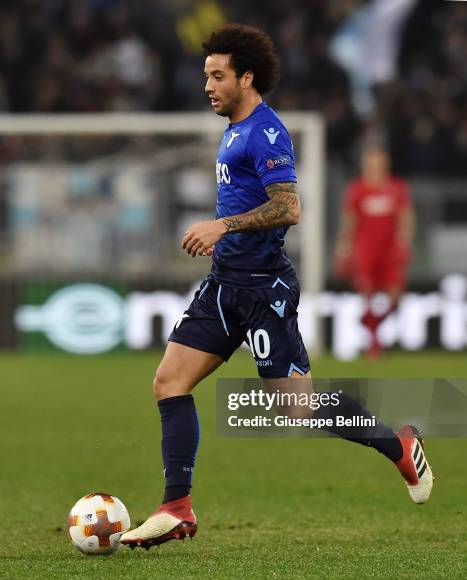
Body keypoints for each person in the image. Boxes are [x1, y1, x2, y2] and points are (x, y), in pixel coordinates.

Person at [121, 25, 432, 550]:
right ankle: (177, 506)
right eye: (205, 76)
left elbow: (289, 207)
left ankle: (398, 445)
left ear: (247, 77)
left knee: (298, 408)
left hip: (265, 290)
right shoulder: (233, 128)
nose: (208, 86)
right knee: (168, 382)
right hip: (224, 285)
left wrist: (223, 226)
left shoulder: (266, 132)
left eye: (217, 76)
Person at [334, 144, 415, 358]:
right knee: (367, 294)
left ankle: (373, 322)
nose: (374, 166)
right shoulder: (357, 189)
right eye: (371, 161)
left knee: (395, 295)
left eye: (378, 161)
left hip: (389, 249)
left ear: (385, 163)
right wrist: (344, 248)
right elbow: (349, 220)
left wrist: (405, 241)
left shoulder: (396, 187)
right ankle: (374, 344)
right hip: (366, 248)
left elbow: (406, 216)